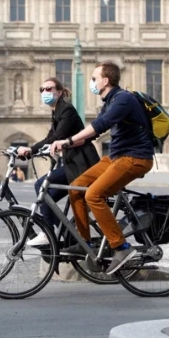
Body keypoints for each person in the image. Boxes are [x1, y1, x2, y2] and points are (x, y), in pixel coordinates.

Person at [50, 61, 154, 275]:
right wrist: (55, 144)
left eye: (94, 78)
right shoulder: (109, 102)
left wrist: (68, 141)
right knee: (75, 187)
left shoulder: (123, 99)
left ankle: (122, 247)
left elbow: (100, 125)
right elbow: (93, 135)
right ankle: (84, 241)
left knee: (93, 195)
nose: (92, 82)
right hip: (116, 157)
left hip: (135, 158)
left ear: (106, 81)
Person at [17, 77, 100, 246]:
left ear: (60, 92)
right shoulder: (57, 110)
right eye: (42, 89)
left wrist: (31, 150)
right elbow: (50, 137)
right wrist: (32, 151)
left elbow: (58, 137)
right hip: (72, 162)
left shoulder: (67, 110)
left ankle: (49, 232)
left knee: (41, 186)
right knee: (46, 197)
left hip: (81, 163)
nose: (44, 93)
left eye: (49, 89)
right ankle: (67, 232)